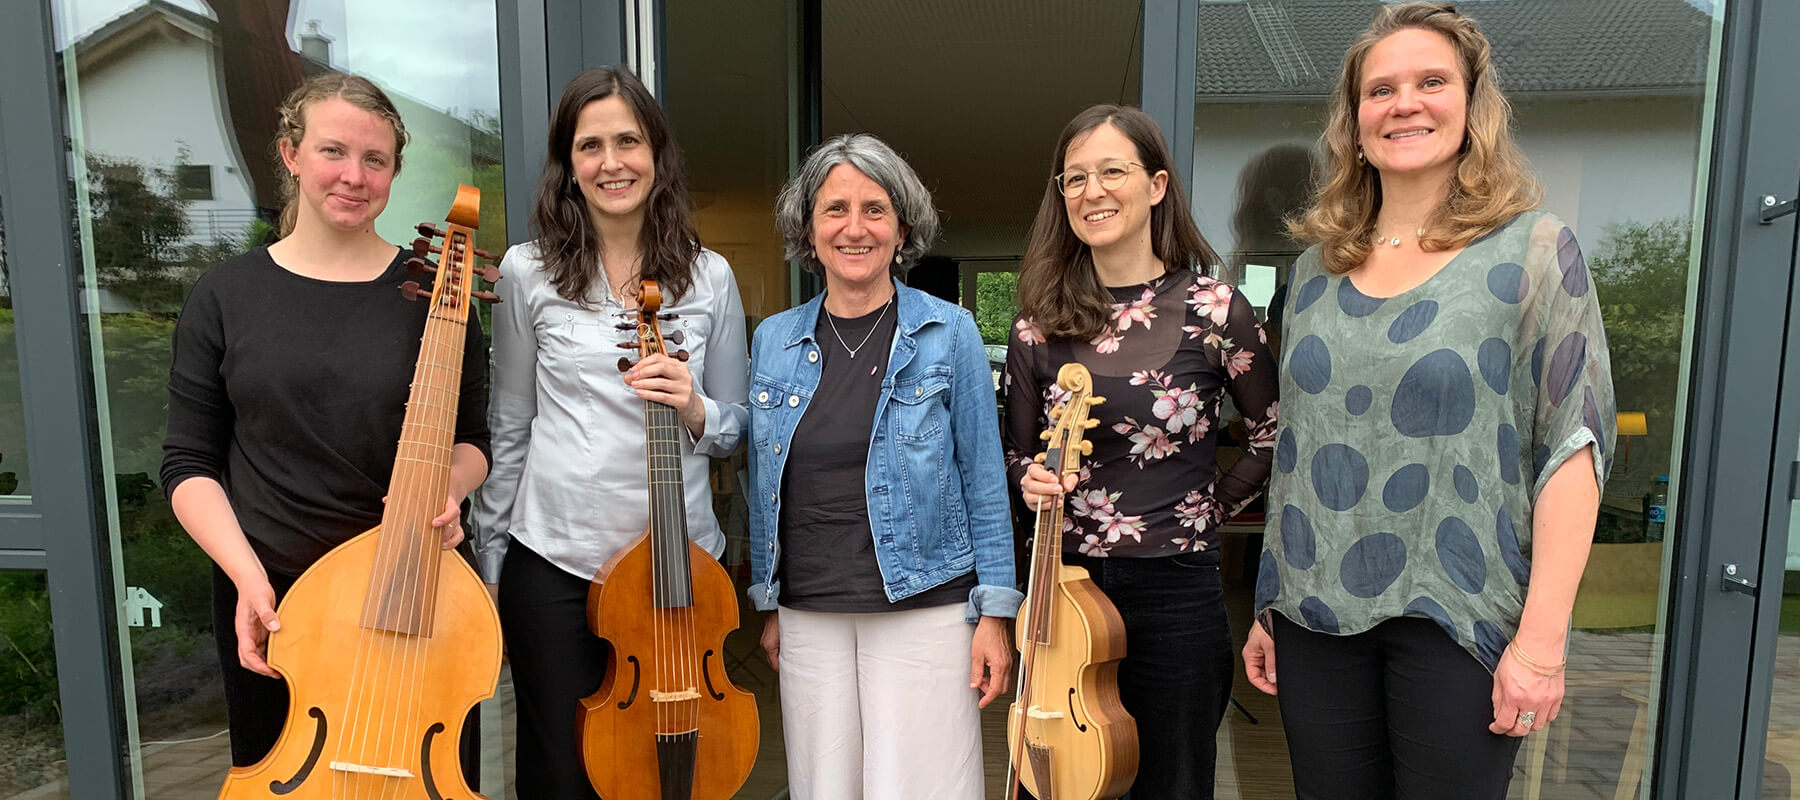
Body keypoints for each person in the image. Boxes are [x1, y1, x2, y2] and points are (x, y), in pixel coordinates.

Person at [1240, 4, 1616, 798]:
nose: (1404, 103)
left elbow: (1572, 447)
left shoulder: (1536, 251)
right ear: (1354, 120)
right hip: (1316, 617)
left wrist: (1541, 644)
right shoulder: (1314, 272)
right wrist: (1268, 602)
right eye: (1381, 89)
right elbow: (1301, 447)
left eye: (1430, 82)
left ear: (1473, 105)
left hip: (1458, 613)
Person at [160, 72, 490, 767]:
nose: (354, 176)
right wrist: (248, 579)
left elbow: (473, 440)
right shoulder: (225, 295)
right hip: (278, 599)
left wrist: (451, 488)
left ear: (395, 171)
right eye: (333, 151)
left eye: (375, 160)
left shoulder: (438, 293)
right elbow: (188, 464)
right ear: (291, 154)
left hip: (412, 602)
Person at [473, 65, 748, 800]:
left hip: (677, 573)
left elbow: (735, 427)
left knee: (665, 774)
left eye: (628, 141)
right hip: (555, 562)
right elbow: (511, 425)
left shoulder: (710, 277)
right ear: (569, 164)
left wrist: (696, 407)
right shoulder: (527, 272)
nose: (611, 161)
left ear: (657, 154)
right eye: (589, 145)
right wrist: (493, 565)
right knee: (562, 772)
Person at [1005, 104, 1279, 798]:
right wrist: (1031, 481)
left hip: (1177, 590)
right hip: (1066, 586)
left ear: (1156, 185)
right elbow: (1013, 457)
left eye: (1112, 171)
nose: (1092, 191)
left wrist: (1205, 510)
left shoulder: (1218, 310)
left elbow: (1275, 435)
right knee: (1067, 781)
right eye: (1074, 179)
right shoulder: (1037, 323)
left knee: (1173, 782)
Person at [748, 133, 1020, 800]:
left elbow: (986, 482)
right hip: (810, 608)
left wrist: (995, 614)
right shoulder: (774, 340)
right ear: (809, 230)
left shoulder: (948, 331)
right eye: (834, 209)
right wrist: (771, 598)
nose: (855, 227)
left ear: (902, 227)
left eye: (875, 208)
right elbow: (765, 486)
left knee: (920, 787)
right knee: (823, 786)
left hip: (925, 604)